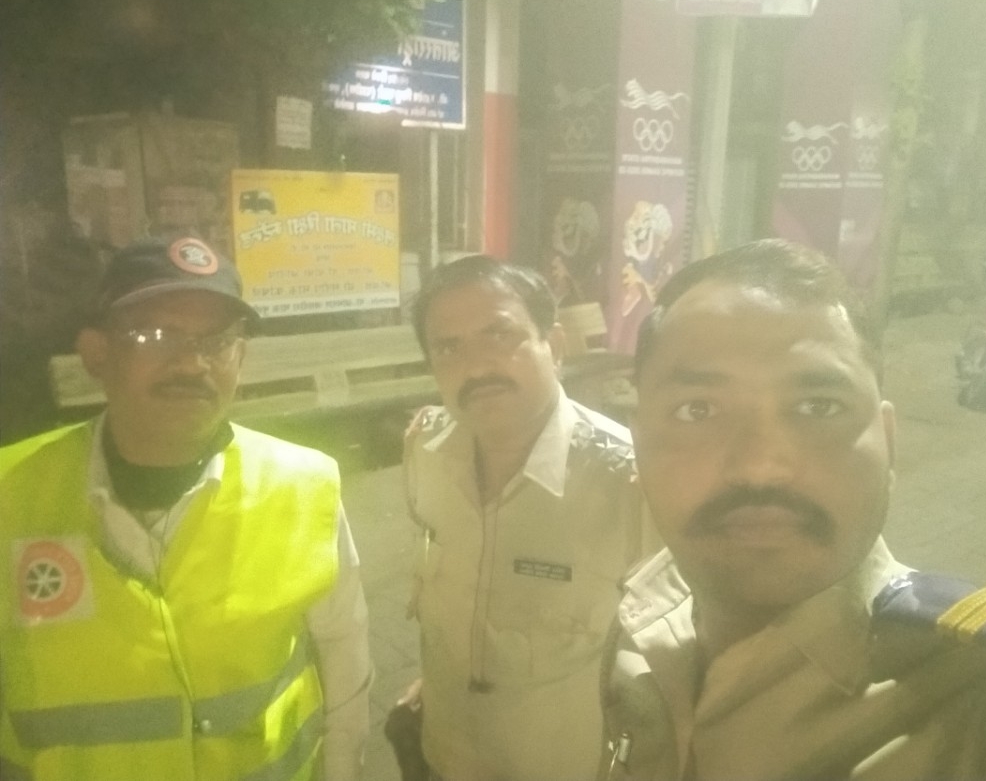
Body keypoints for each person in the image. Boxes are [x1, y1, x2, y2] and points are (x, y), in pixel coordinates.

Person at [599, 238, 986, 780]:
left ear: (888, 442)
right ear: (638, 444)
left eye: (818, 406)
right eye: (697, 410)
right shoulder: (639, 624)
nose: (760, 466)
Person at [0, 234, 372, 780]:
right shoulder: (11, 492)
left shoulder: (305, 485)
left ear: (240, 358)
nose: (193, 363)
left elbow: (344, 658)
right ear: (97, 354)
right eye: (156, 335)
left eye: (217, 341)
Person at [399, 255, 655, 781]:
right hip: (441, 757)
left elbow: (673, 661)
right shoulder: (424, 450)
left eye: (500, 335)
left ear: (554, 346)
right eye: (449, 348)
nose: (476, 367)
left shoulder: (632, 483)